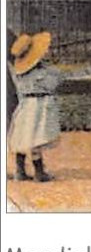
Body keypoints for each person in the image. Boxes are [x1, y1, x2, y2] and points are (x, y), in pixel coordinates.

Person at [8, 32, 62, 182]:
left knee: (22, 136)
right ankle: (39, 172)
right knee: (36, 137)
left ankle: (20, 170)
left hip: (25, 105)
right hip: (38, 106)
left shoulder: (19, 73)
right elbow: (55, 82)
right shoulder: (42, 72)